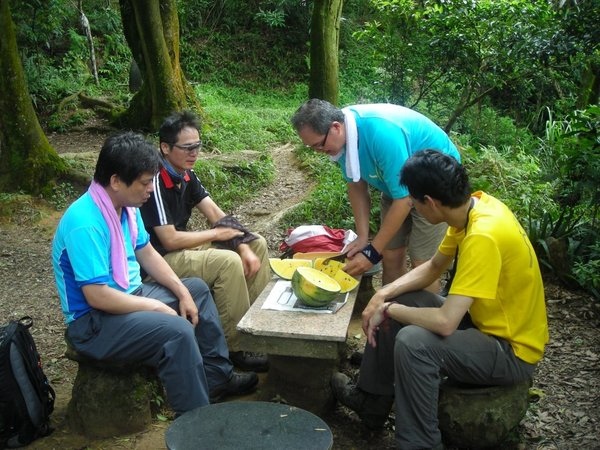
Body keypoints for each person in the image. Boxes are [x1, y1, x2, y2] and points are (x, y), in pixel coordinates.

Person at [330, 150, 549, 449]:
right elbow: (433, 266)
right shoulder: (474, 209)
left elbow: (446, 323)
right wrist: (383, 294)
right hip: (483, 327)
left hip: (510, 350)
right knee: (404, 295)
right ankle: (372, 401)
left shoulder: (482, 236)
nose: (413, 207)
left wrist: (389, 309)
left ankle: (419, 443)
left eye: (413, 202)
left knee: (413, 343)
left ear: (429, 202)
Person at [52, 132, 258, 416]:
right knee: (177, 331)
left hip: (128, 297)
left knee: (196, 290)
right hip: (93, 323)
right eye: (146, 182)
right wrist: (156, 306)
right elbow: (97, 296)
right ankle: (195, 423)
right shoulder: (84, 222)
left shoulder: (126, 207)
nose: (151, 189)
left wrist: (182, 293)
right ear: (115, 181)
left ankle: (215, 379)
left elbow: (147, 253)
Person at [139, 111, 270, 372]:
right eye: (187, 147)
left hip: (182, 249)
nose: (194, 152)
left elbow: (216, 214)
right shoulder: (154, 179)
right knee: (228, 262)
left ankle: (260, 329)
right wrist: (215, 235)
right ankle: (234, 347)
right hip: (159, 259)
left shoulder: (186, 174)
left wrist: (242, 243)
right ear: (165, 148)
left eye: (197, 145)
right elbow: (169, 238)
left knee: (258, 244)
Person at [291, 99, 461, 286]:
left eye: (319, 145)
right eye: (312, 147)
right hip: (395, 186)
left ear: (336, 127)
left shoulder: (382, 133)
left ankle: (425, 313)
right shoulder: (340, 140)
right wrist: (363, 237)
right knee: (390, 254)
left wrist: (371, 253)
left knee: (423, 264)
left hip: (432, 189)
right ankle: (390, 311)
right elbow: (356, 185)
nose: (319, 151)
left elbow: (404, 200)